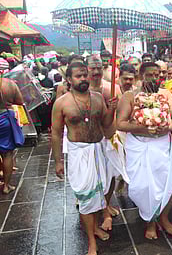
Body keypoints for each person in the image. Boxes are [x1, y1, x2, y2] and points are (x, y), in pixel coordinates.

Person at [117, 62, 172, 239]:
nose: (155, 78)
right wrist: (143, 129)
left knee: (170, 183)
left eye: (157, 75)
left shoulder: (166, 94)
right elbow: (120, 123)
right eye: (150, 75)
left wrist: (168, 127)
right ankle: (150, 222)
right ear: (141, 76)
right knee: (144, 186)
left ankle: (163, 218)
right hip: (140, 146)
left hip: (163, 144)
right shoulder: (129, 96)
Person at [51, 62, 116, 255]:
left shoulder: (97, 98)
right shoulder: (62, 103)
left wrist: (111, 109)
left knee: (99, 192)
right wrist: (58, 161)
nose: (84, 79)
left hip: (99, 149)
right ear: (69, 79)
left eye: (85, 75)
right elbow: (55, 133)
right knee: (86, 196)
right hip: (78, 152)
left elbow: (106, 126)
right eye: (79, 76)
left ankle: (95, 227)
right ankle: (91, 243)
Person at [85, 55, 123, 232]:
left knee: (111, 176)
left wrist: (115, 107)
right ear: (86, 69)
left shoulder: (112, 89)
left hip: (109, 138)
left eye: (99, 67)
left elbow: (122, 114)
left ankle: (106, 207)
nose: (96, 71)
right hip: (88, 141)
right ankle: (98, 209)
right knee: (93, 178)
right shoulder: (80, 90)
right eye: (92, 68)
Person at [0, 74, 24, 194]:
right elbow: (20, 101)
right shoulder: (9, 84)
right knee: (7, 154)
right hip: (4, 119)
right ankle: (6, 186)